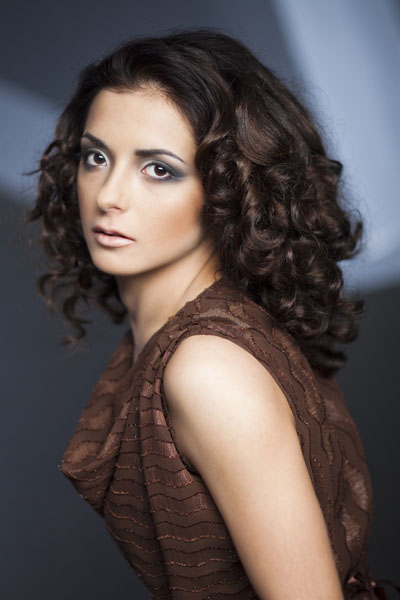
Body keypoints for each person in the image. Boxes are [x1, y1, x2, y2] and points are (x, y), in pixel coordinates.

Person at [25, 28, 400, 600]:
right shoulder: (192, 333)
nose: (107, 196)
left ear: (230, 189)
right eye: (96, 157)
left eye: (158, 169)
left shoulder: (207, 369)